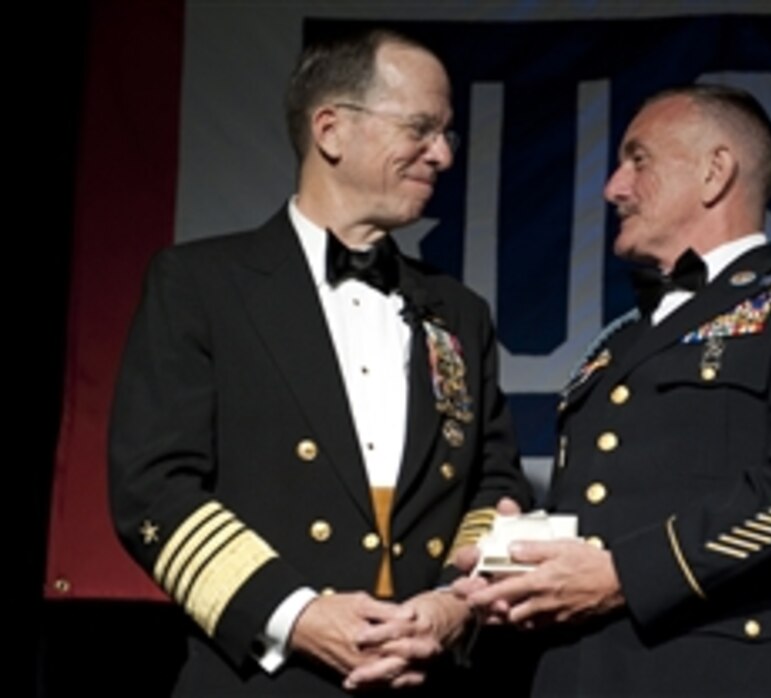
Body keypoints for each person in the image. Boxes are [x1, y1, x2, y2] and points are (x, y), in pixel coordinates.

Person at [109, 29, 531, 696]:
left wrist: (455, 603)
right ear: (331, 129)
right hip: (265, 676)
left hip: (430, 675)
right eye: (422, 128)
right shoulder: (201, 285)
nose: (444, 154)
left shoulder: (459, 311)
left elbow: (494, 482)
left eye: (447, 133)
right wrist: (295, 613)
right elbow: (153, 488)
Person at [457, 84, 771, 696]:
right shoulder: (613, 344)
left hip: (721, 671)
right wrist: (515, 559)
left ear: (716, 173)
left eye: (639, 160)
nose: (614, 186)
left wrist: (626, 575)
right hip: (574, 672)